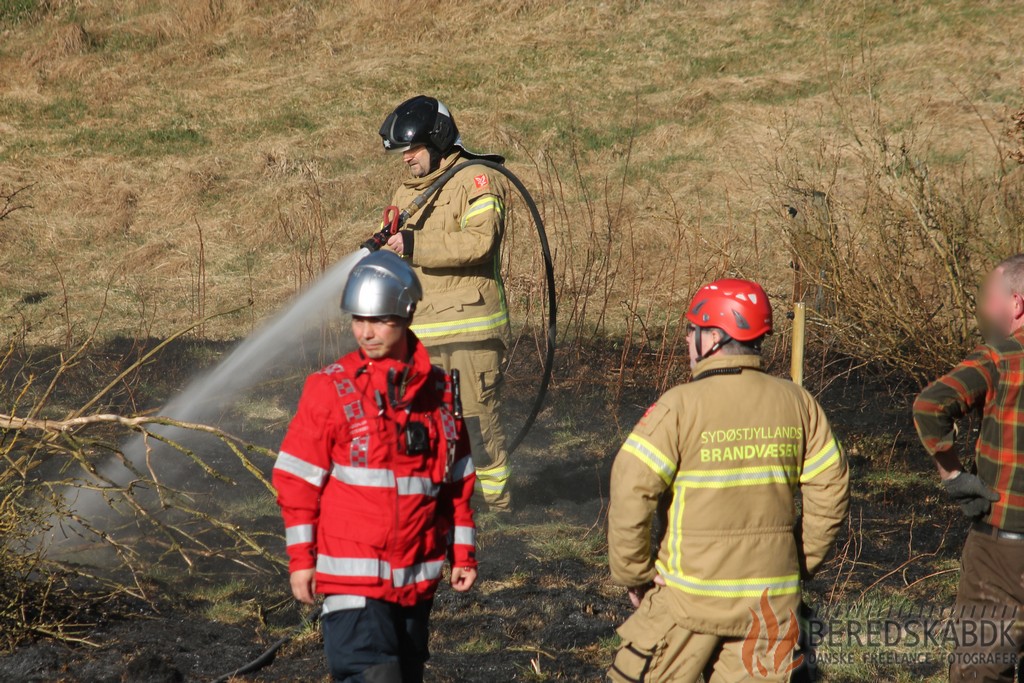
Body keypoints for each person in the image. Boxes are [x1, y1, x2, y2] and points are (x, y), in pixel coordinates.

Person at [606, 278, 850, 682]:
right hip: (770, 611)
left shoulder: (678, 407)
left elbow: (631, 488)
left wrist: (635, 574)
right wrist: (800, 562)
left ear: (715, 337)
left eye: (692, 331)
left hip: (686, 606)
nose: (687, 341)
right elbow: (832, 486)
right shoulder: (800, 404)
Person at [272, 251, 478, 682]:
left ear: (405, 315)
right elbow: (296, 480)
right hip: (353, 584)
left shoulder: (440, 394)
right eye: (358, 319)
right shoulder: (329, 389)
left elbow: (456, 483)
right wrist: (301, 560)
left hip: (416, 585)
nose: (365, 331)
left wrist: (463, 553)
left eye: (379, 320)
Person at [378, 95, 513, 512]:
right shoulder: (404, 192)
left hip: (471, 327)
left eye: (413, 150)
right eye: (403, 152)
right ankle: (434, 508)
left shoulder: (477, 180)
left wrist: (414, 243)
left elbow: (480, 242)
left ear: (437, 141)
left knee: (476, 422)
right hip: (421, 331)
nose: (407, 160)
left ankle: (501, 511)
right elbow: (393, 244)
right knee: (421, 426)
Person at [914, 254, 1024, 683]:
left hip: (1003, 549)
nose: (984, 309)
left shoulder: (1001, 359)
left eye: (990, 299)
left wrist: (953, 475)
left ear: (1016, 304)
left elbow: (929, 405)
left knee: (979, 670)